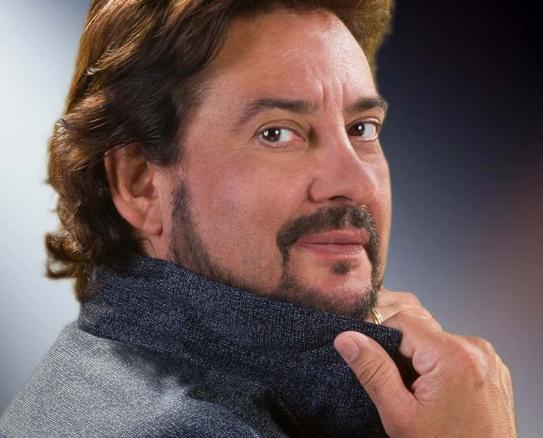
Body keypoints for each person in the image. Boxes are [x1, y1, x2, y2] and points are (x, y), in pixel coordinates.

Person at [0, 0, 516, 437]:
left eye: (361, 128)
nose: (356, 183)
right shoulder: (184, 428)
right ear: (140, 185)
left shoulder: (96, 377)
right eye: (277, 133)